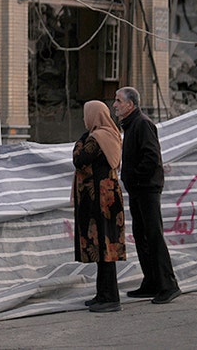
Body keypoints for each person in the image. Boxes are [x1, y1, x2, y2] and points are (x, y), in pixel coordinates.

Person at [113, 86, 182, 304]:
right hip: (138, 189)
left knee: (153, 236)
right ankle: (151, 282)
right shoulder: (131, 125)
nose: (114, 105)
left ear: (130, 105)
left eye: (118, 101)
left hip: (147, 189)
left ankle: (168, 285)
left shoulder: (142, 124)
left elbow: (152, 158)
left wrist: (134, 178)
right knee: (142, 236)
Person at [72, 100, 127, 313]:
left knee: (104, 249)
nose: (84, 119)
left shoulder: (96, 138)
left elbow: (79, 159)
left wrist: (81, 140)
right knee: (104, 248)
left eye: (87, 115)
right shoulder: (110, 134)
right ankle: (102, 294)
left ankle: (110, 298)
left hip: (99, 201)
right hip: (108, 198)